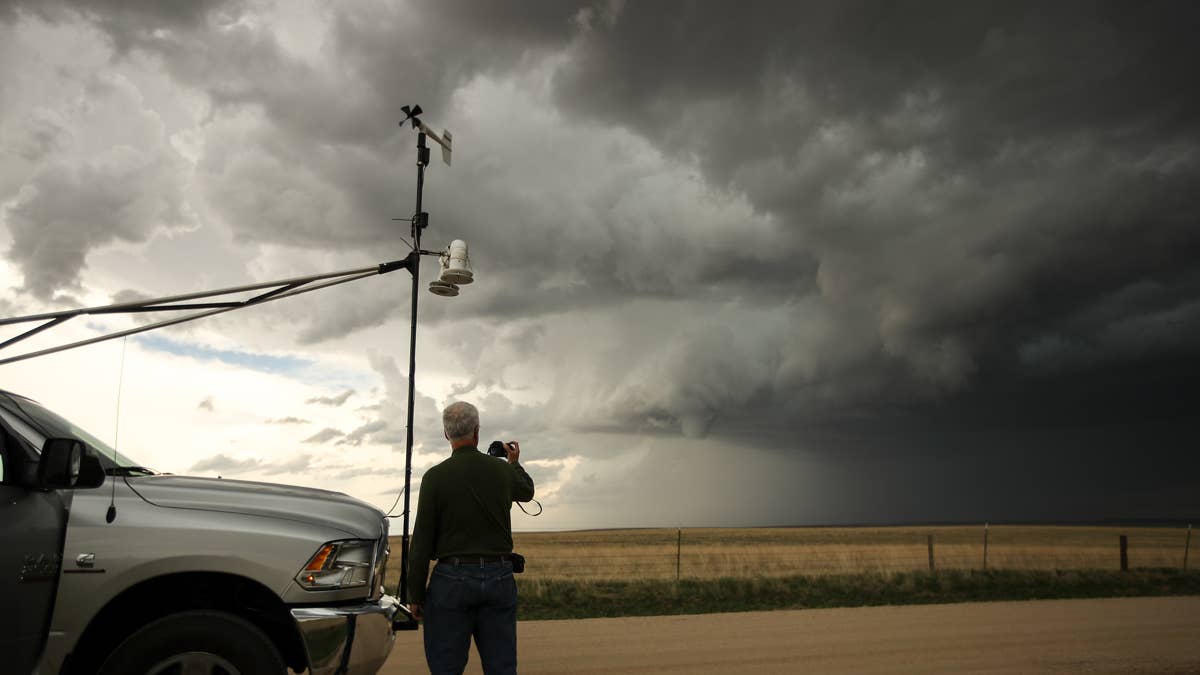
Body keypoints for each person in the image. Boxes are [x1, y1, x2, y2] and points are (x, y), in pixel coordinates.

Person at [408, 401, 535, 675]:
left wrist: (415, 595)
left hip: (451, 581)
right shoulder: (502, 471)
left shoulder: (434, 478)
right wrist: (514, 463)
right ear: (477, 432)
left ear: (446, 434)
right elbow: (527, 492)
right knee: (501, 666)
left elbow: (421, 542)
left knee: (446, 667)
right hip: (500, 576)